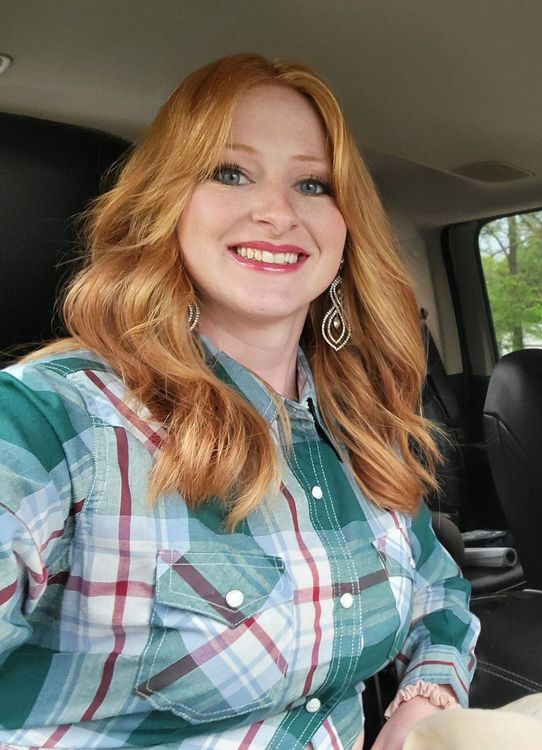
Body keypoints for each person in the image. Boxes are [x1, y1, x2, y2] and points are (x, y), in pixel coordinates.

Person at [0, 53, 478, 750]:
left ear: (345, 231)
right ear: (167, 204)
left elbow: (440, 594)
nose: (277, 212)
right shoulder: (54, 422)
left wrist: (424, 702)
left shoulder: (363, 428)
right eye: (230, 172)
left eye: (313, 184)